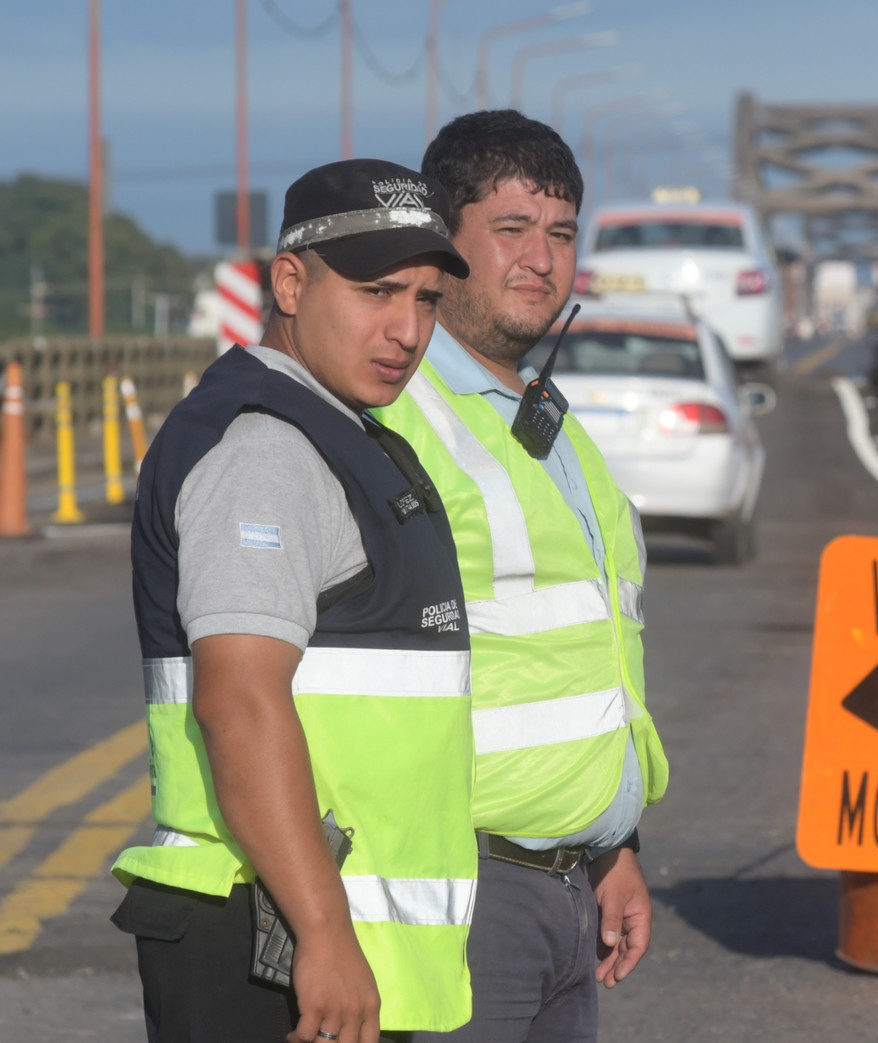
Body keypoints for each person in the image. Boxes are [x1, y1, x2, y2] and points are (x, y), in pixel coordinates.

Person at [110, 159, 478, 1042]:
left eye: (427, 299)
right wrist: (322, 929)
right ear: (288, 281)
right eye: (377, 291)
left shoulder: (340, 428)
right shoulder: (267, 448)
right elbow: (239, 698)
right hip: (263, 936)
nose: (407, 329)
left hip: (304, 921)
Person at [374, 110, 670, 1042]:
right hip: (463, 890)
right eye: (510, 230)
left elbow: (581, 658)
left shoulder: (546, 423)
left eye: (561, 233)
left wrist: (612, 844)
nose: (540, 259)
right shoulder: (399, 413)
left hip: (564, 887)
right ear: (443, 245)